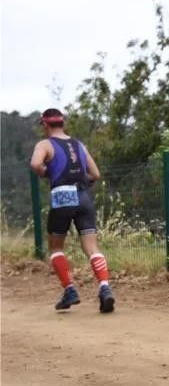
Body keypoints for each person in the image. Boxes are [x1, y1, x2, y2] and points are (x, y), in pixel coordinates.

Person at [29, 108, 115, 313]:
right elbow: (95, 173)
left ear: (45, 124)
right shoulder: (78, 145)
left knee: (56, 247)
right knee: (92, 247)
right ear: (62, 123)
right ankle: (104, 288)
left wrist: (45, 172)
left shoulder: (45, 144)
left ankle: (69, 289)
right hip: (83, 196)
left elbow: (35, 164)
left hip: (62, 197)